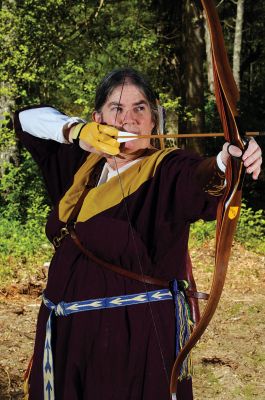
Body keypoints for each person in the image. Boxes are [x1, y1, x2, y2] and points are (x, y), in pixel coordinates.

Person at [14, 68, 262, 400]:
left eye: (140, 108)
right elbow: (26, 118)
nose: (128, 119)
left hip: (132, 345)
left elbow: (203, 178)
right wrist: (77, 132)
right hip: (65, 340)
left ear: (153, 121)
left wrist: (227, 162)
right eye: (117, 108)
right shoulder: (81, 162)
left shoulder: (166, 168)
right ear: (97, 117)